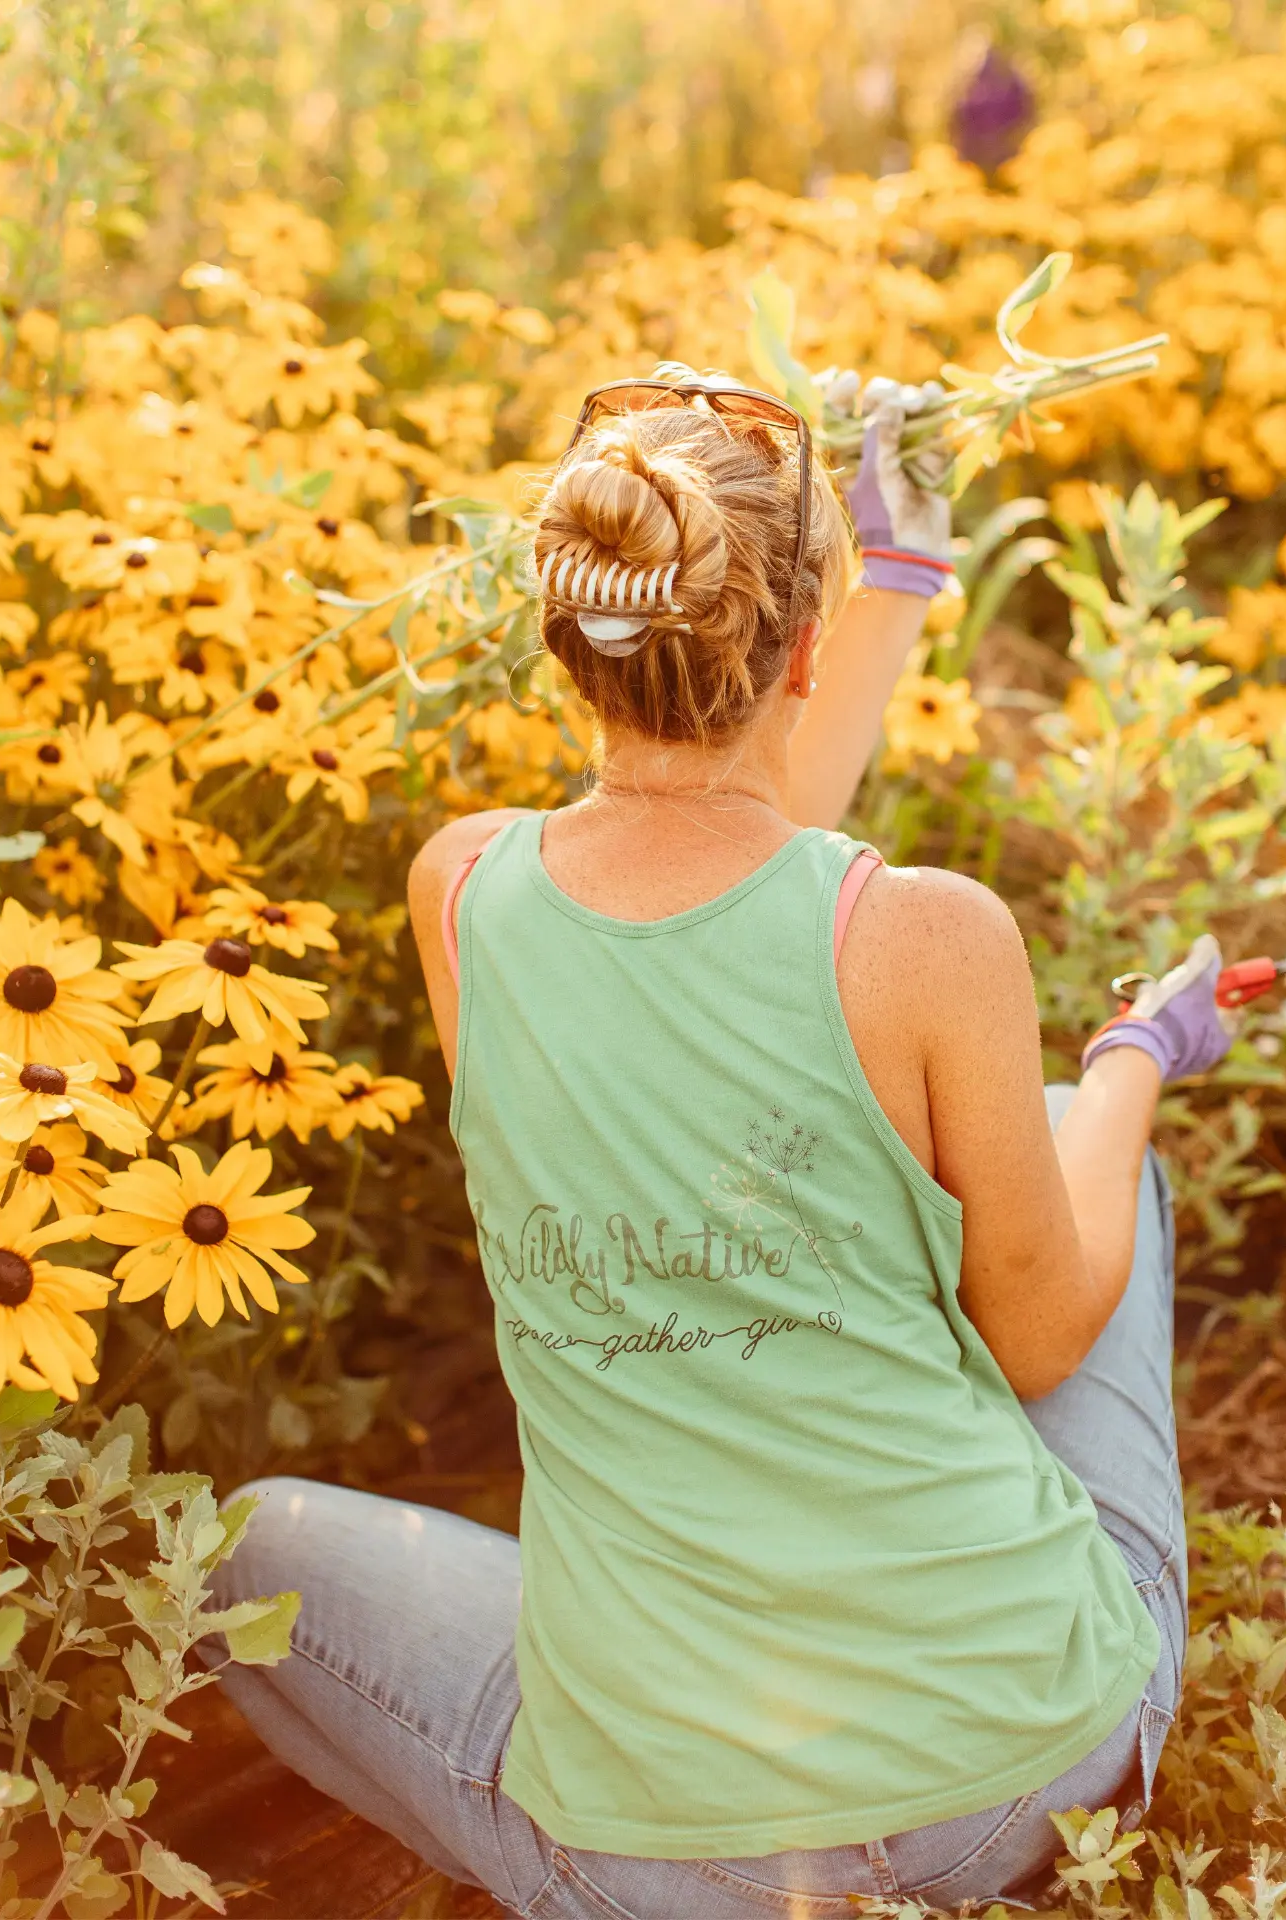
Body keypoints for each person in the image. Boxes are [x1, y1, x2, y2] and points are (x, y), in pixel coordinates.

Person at [211, 371, 1232, 1918]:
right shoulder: (931, 936)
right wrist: (1135, 1058)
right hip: (1032, 1773)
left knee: (239, 1554)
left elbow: (711, 858)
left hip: (670, 1861)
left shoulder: (462, 896)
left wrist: (890, 579)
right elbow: (1036, 1342)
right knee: (1064, 1130)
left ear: (563, 640)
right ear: (803, 650)